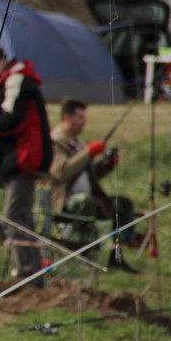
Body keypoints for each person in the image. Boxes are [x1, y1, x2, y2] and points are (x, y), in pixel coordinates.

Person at [0, 44, 53, 286]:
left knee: (14, 217)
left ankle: (28, 275)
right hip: (15, 162)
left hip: (23, 161)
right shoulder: (11, 80)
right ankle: (31, 274)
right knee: (21, 217)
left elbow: (12, 120)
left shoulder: (17, 79)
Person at [48, 98, 138, 272]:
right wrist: (88, 153)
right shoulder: (55, 142)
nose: (84, 122)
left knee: (122, 204)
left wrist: (106, 165)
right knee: (85, 202)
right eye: (80, 117)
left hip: (89, 197)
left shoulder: (78, 143)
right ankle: (85, 254)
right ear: (67, 118)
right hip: (64, 201)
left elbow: (88, 175)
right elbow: (61, 172)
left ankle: (117, 256)